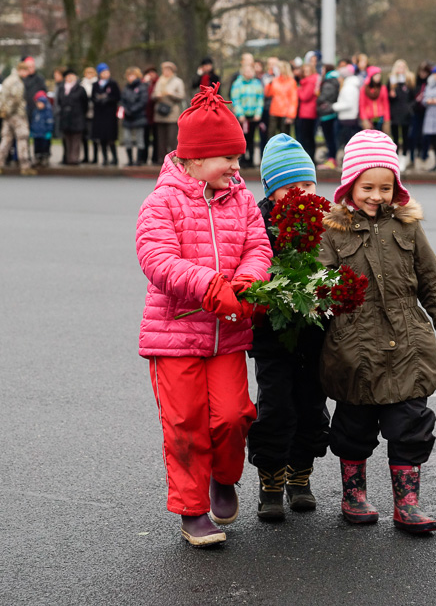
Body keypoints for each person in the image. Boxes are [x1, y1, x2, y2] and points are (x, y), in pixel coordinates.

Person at [135, 83, 272, 548]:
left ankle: (223, 477)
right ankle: (193, 511)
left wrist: (248, 281)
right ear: (194, 160)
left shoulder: (241, 199)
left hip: (227, 333)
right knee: (186, 424)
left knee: (234, 416)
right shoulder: (162, 202)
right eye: (227, 159)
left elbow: (258, 247)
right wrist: (208, 285)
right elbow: (156, 258)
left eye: (238, 158)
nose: (237, 168)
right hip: (175, 334)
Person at [318, 129, 436, 534]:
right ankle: (355, 494)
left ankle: (408, 502)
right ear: (350, 187)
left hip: (407, 346)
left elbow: (433, 283)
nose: (376, 196)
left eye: (386, 187)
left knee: (411, 424)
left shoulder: (408, 229)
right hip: (355, 349)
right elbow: (317, 288)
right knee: (353, 427)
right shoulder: (332, 232)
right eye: (368, 187)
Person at [247, 134, 329, 521]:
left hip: (314, 333)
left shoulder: (323, 222)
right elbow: (251, 268)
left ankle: (301, 476)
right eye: (290, 187)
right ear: (270, 190)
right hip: (272, 335)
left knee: (312, 403)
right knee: (276, 405)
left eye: (308, 184)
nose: (301, 192)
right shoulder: (257, 223)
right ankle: (271, 480)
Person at [0, 62, 31, 174]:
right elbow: (16, 98)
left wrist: (3, 111)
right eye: (26, 71)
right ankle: (24, 166)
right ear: (21, 70)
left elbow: (0, 98)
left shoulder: (7, 80)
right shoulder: (17, 82)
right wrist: (9, 111)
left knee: (6, 139)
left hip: (6, 114)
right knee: (22, 138)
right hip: (16, 114)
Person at [230, 63, 264, 168]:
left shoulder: (257, 83)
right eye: (247, 71)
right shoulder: (237, 84)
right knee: (242, 139)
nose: (249, 73)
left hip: (253, 116)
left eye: (251, 71)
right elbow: (236, 99)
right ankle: (243, 160)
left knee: (252, 139)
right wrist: (240, 114)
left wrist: (258, 113)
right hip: (242, 117)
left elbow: (260, 99)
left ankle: (252, 160)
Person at [152, 62, 185, 164]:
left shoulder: (177, 82)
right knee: (161, 138)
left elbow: (181, 96)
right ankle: (162, 159)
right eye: (164, 70)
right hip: (160, 113)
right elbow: (152, 95)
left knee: (172, 138)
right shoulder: (159, 81)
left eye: (167, 70)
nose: (165, 72)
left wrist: (172, 94)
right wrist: (156, 95)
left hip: (172, 113)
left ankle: (174, 159)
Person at [56, 68, 87, 165]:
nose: (69, 78)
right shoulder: (61, 89)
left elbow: (85, 104)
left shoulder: (80, 89)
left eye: (71, 76)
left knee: (76, 139)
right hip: (65, 117)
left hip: (77, 117)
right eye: (67, 76)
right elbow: (59, 102)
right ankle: (67, 158)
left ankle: (74, 159)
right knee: (66, 139)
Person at [91, 63, 121, 166]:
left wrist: (107, 99)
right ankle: (105, 158)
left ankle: (115, 158)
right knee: (101, 138)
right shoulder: (95, 84)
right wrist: (98, 100)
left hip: (109, 115)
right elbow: (92, 97)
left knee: (110, 138)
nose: (105, 74)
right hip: (99, 115)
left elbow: (117, 97)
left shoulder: (113, 83)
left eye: (107, 72)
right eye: (103, 72)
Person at [120, 66, 149, 167]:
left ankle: (139, 160)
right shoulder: (126, 88)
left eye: (132, 75)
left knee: (139, 139)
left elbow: (143, 101)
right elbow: (122, 100)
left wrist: (132, 110)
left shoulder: (142, 87)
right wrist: (125, 110)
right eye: (128, 76)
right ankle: (130, 160)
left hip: (139, 116)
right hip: (127, 117)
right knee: (127, 139)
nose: (130, 78)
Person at [264, 61, 297, 138]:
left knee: (284, 136)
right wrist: (269, 84)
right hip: (274, 111)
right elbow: (268, 94)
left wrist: (290, 115)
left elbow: (293, 100)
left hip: (285, 113)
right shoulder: (275, 80)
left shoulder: (291, 82)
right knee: (271, 134)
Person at [333, 64, 361, 153]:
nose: (338, 79)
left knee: (348, 144)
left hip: (348, 119)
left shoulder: (349, 87)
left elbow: (348, 104)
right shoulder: (350, 86)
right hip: (348, 118)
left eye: (340, 76)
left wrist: (334, 106)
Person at [388, 60, 413, 156]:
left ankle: (405, 155)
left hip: (405, 112)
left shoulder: (409, 80)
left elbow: (412, 96)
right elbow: (387, 96)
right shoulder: (392, 80)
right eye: (399, 67)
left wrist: (409, 108)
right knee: (395, 135)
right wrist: (391, 95)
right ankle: (395, 154)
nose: (400, 69)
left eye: (402, 66)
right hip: (394, 112)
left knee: (405, 134)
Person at [316, 65, 340, 166]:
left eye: (323, 69)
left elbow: (322, 98)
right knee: (331, 138)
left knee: (329, 138)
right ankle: (331, 159)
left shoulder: (328, 83)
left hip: (327, 115)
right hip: (330, 113)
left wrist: (318, 99)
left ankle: (331, 160)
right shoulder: (334, 81)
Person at [296, 63, 319, 160]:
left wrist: (298, 90)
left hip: (307, 113)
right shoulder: (308, 81)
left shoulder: (310, 81)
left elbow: (304, 96)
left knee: (307, 137)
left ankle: (309, 157)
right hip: (307, 112)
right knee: (307, 136)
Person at [358, 66, 389, 134]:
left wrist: (387, 120)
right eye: (376, 75)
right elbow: (362, 105)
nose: (378, 77)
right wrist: (364, 119)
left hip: (380, 118)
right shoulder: (364, 89)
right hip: (369, 119)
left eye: (379, 75)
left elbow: (386, 104)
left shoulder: (383, 88)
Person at [29, 91, 54, 168]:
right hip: (36, 134)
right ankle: (37, 159)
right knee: (37, 147)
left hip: (44, 134)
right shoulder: (35, 112)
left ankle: (45, 159)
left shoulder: (47, 112)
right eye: (38, 103)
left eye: (41, 103)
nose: (39, 105)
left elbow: (50, 122)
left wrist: (49, 131)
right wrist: (32, 131)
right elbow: (33, 122)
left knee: (45, 147)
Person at [140, 67, 159, 165]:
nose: (151, 75)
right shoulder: (143, 84)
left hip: (156, 114)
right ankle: (143, 158)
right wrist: (144, 83)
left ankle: (155, 158)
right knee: (145, 138)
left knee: (156, 138)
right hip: (145, 115)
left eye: (153, 72)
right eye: (149, 73)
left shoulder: (159, 82)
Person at [80, 66, 97, 164]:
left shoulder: (97, 83)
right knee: (84, 137)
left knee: (94, 137)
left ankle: (95, 158)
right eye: (87, 73)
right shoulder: (82, 84)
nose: (89, 75)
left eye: (91, 73)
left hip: (95, 114)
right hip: (84, 113)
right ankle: (85, 157)